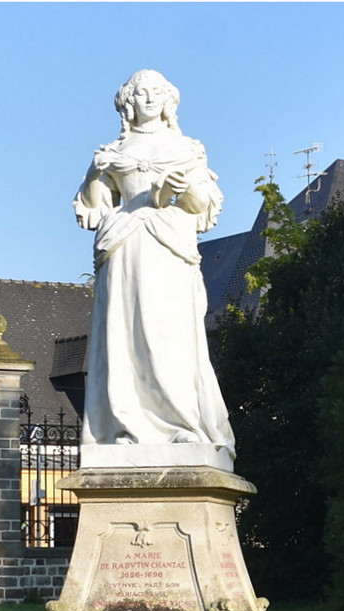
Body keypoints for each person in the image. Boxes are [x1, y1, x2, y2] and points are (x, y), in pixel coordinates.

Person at [74, 69, 236, 467]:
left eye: (156, 92)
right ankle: (127, 427)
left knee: (169, 336)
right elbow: (94, 209)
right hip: (125, 246)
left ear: (168, 100)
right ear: (128, 101)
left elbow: (203, 209)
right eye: (140, 92)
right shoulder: (113, 150)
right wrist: (97, 172)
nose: (148, 98)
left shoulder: (188, 149)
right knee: (124, 336)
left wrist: (183, 189)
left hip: (168, 247)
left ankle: (183, 424)